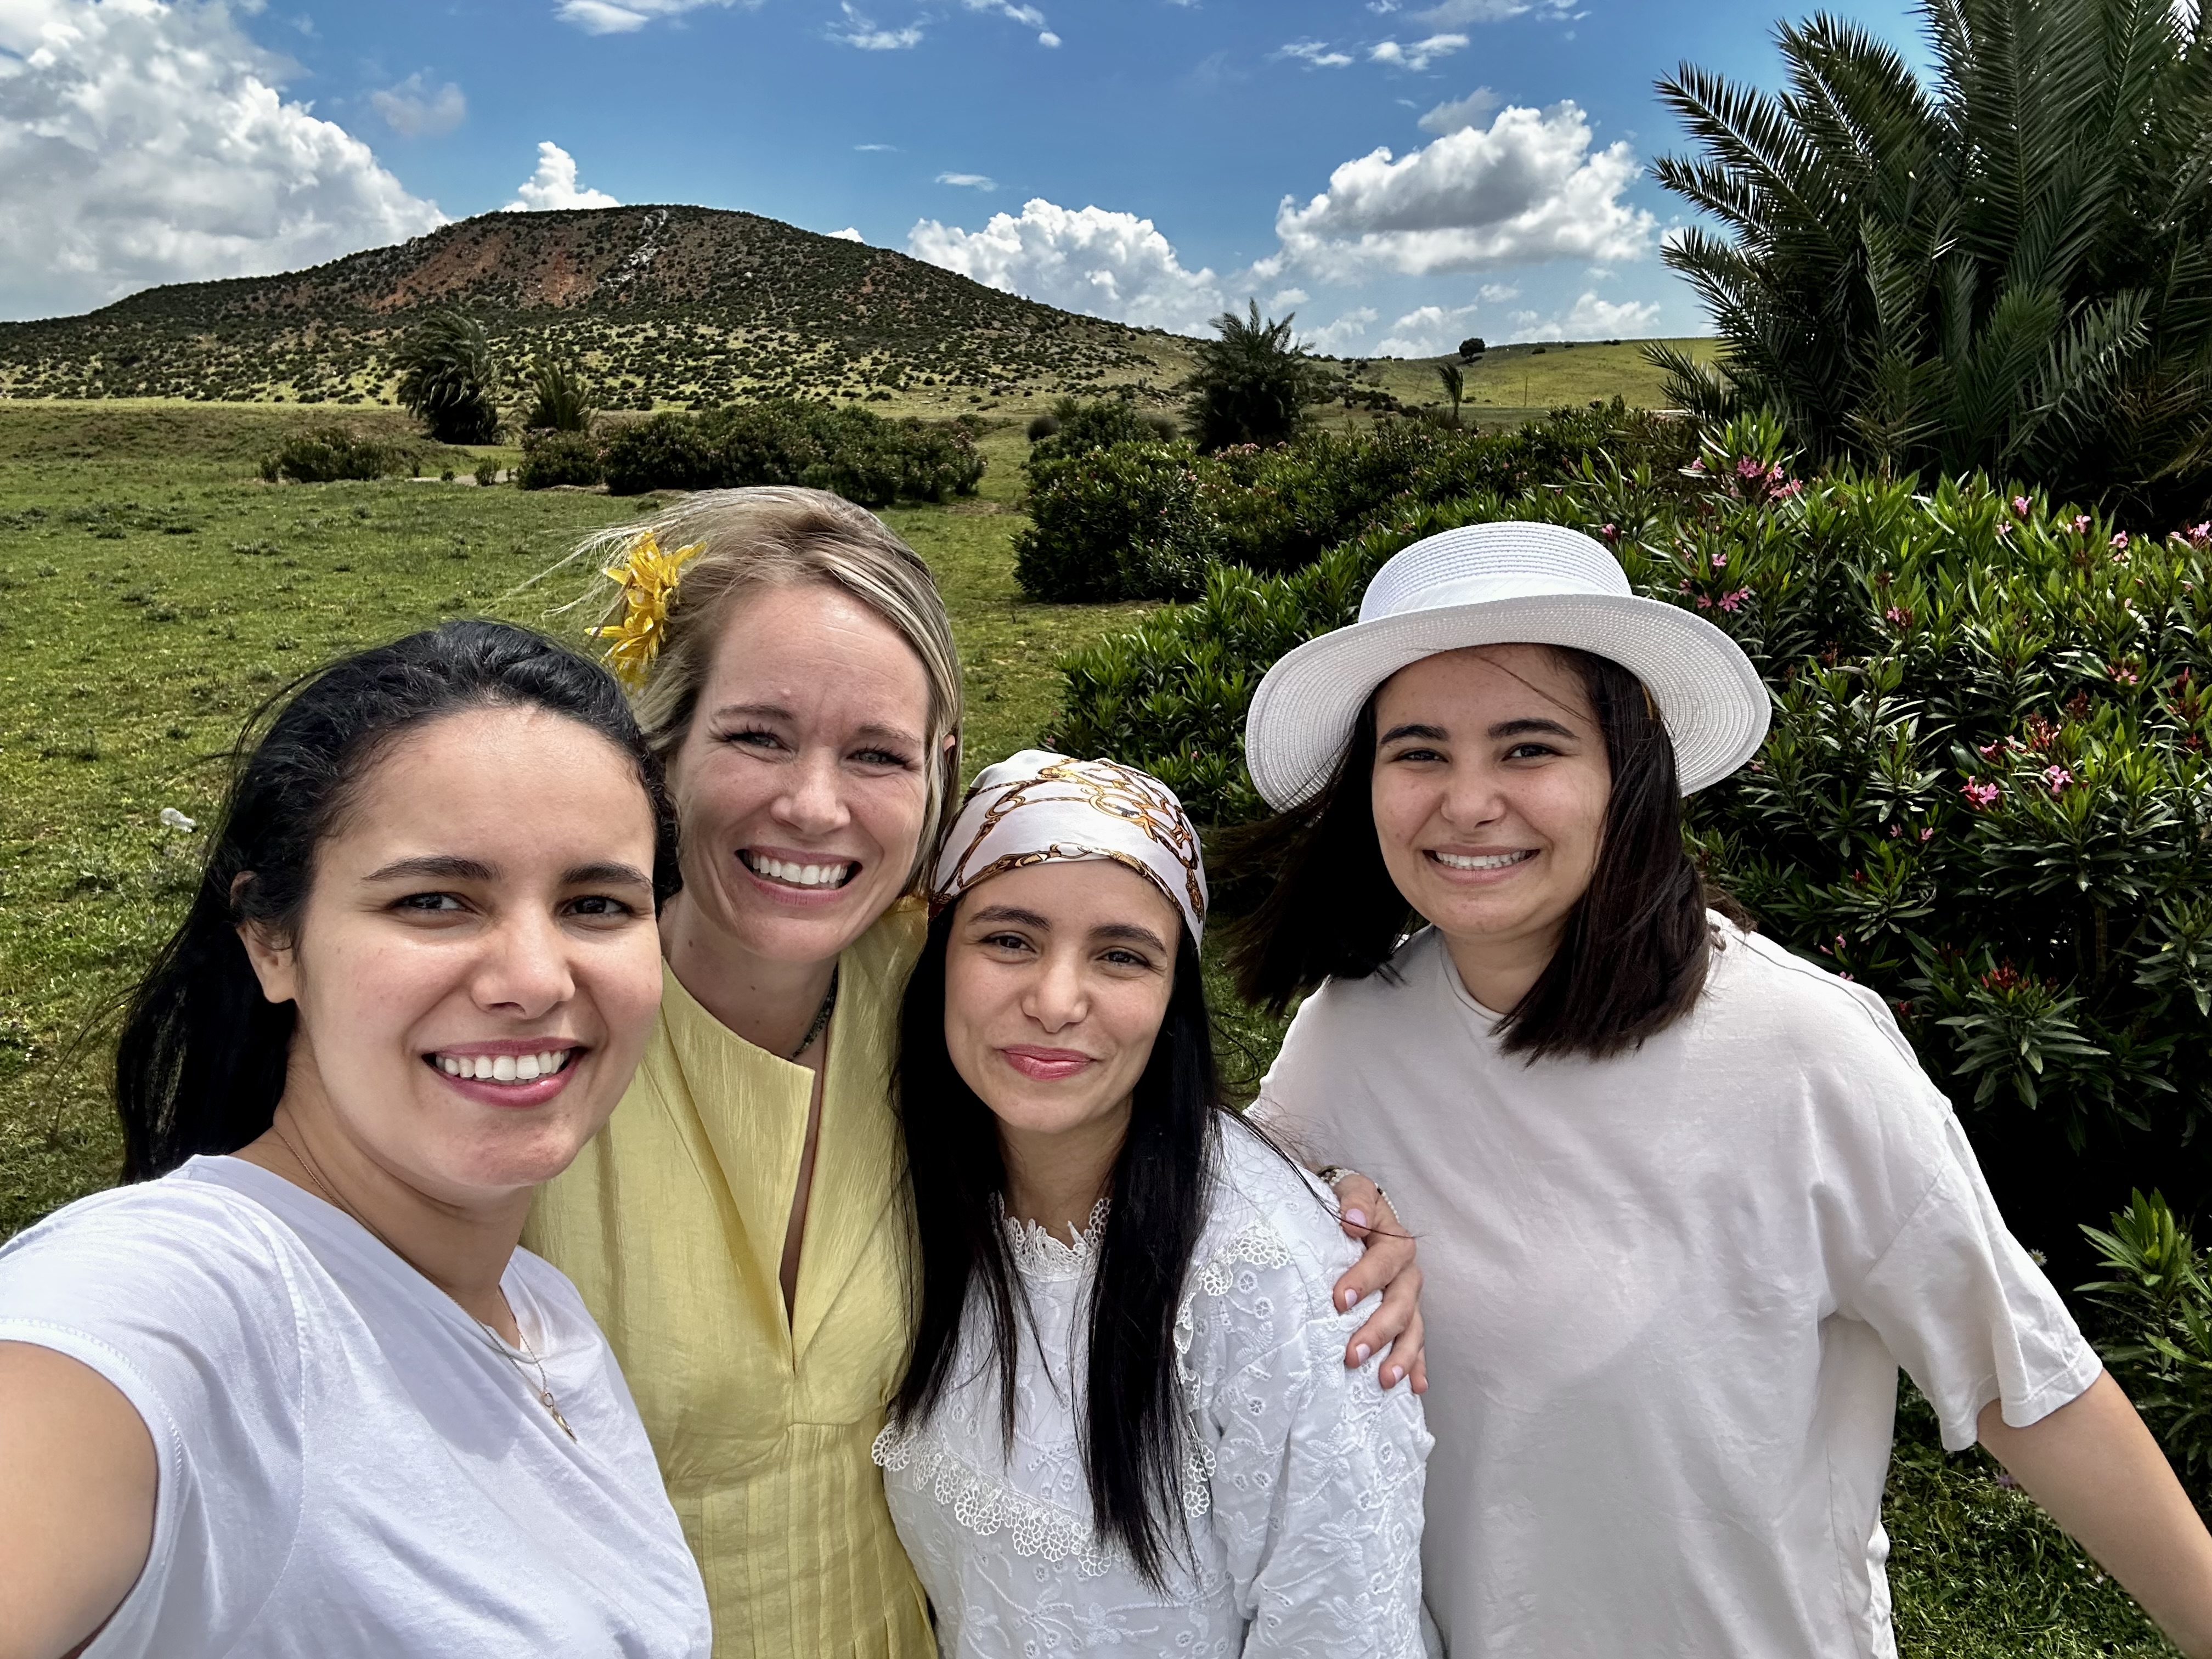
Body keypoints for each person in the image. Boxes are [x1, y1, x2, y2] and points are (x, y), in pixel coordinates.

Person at [1229, 521, 2212, 1659]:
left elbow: (2021, 1379)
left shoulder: (1802, 1050)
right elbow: (1225, 1275)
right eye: (1419, 753)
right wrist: (1324, 1205)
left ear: (1628, 772)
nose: (1469, 802)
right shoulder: (1350, 1035)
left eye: (1529, 747)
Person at [524, 488, 1429, 1659]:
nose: (814, 805)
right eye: (758, 735)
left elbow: (1113, 1072)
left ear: (934, 772)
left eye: (875, 755)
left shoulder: (931, 980)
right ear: (667, 748)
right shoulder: (544, 1028)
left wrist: (1315, 1220)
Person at [0, 622, 710, 1659]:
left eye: (595, 904)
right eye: (435, 901)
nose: (533, 978)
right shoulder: (185, 1302)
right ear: (271, 940)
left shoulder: (537, 1310)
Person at [875, 751, 1433, 1657]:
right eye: (1009, 940)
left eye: (1121, 956)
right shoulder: (920, 1185)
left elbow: (1343, 1631)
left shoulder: (1274, 1289)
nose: (1056, 1001)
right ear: (940, 958)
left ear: (1175, 996)